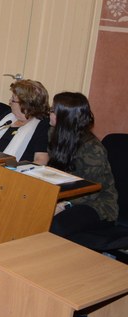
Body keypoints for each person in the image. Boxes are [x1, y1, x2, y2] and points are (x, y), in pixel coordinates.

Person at [48, 92, 119, 240]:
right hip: (64, 196)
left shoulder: (92, 149)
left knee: (54, 225)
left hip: (97, 204)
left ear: (65, 116)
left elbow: (91, 191)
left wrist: (63, 205)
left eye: (53, 110)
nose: (49, 112)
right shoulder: (54, 133)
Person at [0, 79, 50, 163]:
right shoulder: (8, 115)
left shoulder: (42, 126)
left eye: (13, 99)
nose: (9, 101)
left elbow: (41, 160)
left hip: (14, 172)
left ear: (25, 104)